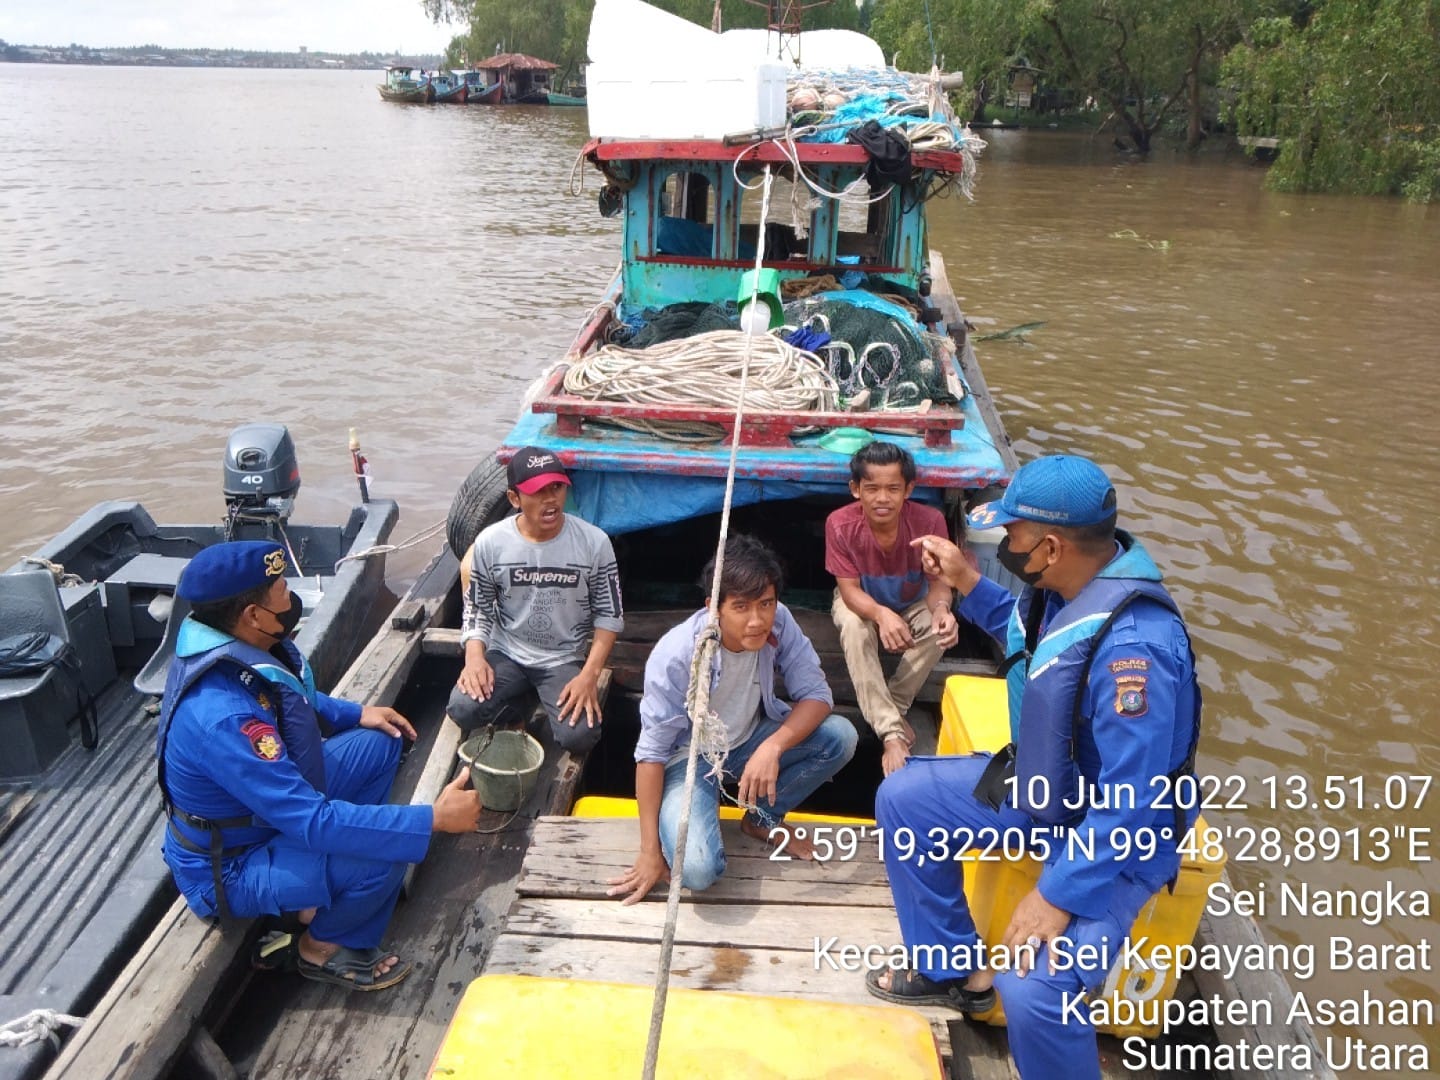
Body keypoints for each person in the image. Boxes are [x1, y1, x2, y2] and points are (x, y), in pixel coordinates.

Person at [865, 455, 1201, 1080]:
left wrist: (1056, 894)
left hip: (1117, 840)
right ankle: (953, 971)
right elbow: (1024, 635)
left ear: (1049, 546)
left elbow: (1133, 800)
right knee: (906, 800)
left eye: (1013, 535)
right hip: (1050, 794)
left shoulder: (1137, 653)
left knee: (1033, 989)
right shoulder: (1063, 590)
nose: (1007, 545)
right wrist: (968, 580)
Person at [157, 541, 481, 991]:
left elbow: (280, 692)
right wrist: (434, 820)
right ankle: (318, 948)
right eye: (282, 591)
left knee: (378, 742)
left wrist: (354, 713)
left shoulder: (230, 641)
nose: (291, 599)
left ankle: (320, 891)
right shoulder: (221, 716)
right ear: (252, 614)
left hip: (266, 813)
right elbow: (310, 817)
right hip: (230, 863)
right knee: (389, 854)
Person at [607, 535, 857, 904]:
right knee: (697, 870)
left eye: (766, 603)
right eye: (741, 606)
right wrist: (649, 852)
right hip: (689, 760)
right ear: (713, 608)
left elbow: (818, 697)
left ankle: (762, 819)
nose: (757, 620)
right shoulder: (675, 655)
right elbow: (651, 755)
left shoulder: (780, 622)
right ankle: (682, 826)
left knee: (841, 736)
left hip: (749, 739)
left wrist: (772, 747)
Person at [447, 446, 624, 756]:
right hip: (507, 652)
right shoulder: (491, 542)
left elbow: (609, 615)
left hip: (563, 658)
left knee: (580, 736)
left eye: (556, 487)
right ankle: (517, 707)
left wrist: (589, 674)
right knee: (462, 709)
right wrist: (474, 657)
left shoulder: (595, 543)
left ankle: (539, 696)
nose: (551, 498)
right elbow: (478, 607)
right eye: (538, 491)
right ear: (515, 499)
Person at [826, 441, 958, 776]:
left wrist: (943, 609)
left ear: (908, 490)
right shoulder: (839, 524)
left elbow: (939, 584)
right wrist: (882, 615)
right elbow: (850, 591)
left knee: (939, 627)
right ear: (856, 490)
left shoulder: (930, 521)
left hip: (912, 600)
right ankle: (891, 732)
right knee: (855, 628)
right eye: (872, 488)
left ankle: (893, 707)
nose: (882, 498)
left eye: (892, 489)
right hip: (861, 599)